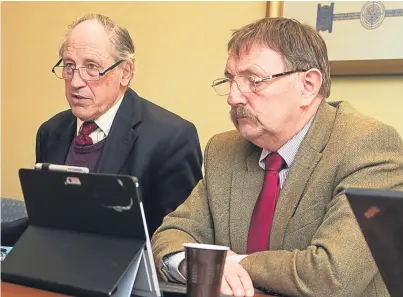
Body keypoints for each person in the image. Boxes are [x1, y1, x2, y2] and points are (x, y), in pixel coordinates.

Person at [151, 17, 403, 297]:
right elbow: (171, 234)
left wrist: (231, 264)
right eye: (231, 80)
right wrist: (190, 265)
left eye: (253, 81)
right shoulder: (224, 150)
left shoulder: (366, 145)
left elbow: (331, 276)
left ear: (308, 85)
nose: (233, 97)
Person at [2, 13, 203, 244]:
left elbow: (178, 240)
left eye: (91, 67)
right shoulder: (51, 132)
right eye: (69, 66)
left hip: (128, 275)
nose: (76, 82)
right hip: (54, 270)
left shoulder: (171, 138)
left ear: (125, 72)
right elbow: (44, 224)